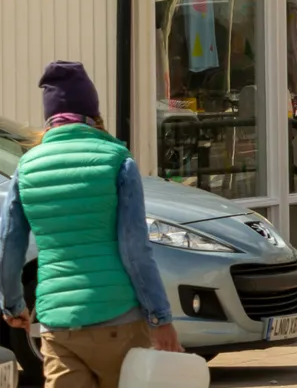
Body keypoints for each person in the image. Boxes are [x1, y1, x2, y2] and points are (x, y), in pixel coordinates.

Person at [0, 62, 180, 388]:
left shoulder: (26, 168)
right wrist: (159, 317)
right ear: (93, 111)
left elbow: (9, 244)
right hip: (119, 320)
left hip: (57, 324)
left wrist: (13, 305)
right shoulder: (117, 160)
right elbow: (135, 249)